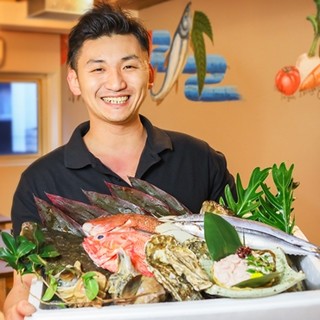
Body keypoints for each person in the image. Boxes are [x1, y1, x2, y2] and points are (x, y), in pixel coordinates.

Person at [3, 3, 235, 319]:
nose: (115, 83)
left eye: (129, 66)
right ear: (74, 81)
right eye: (97, 68)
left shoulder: (200, 158)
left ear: (149, 74)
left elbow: (236, 250)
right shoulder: (39, 180)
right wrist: (14, 306)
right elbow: (25, 280)